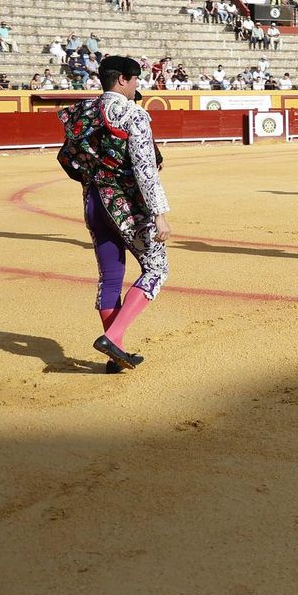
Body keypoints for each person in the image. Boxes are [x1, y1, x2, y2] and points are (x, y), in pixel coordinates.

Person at [55, 56, 171, 372]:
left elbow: (65, 159)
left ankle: (114, 357)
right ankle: (114, 336)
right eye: (135, 79)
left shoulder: (83, 111)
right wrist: (159, 211)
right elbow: (146, 169)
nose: (137, 85)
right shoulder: (134, 115)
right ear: (121, 79)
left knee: (110, 277)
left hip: (93, 201)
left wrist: (95, 178)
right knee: (156, 268)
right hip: (127, 207)